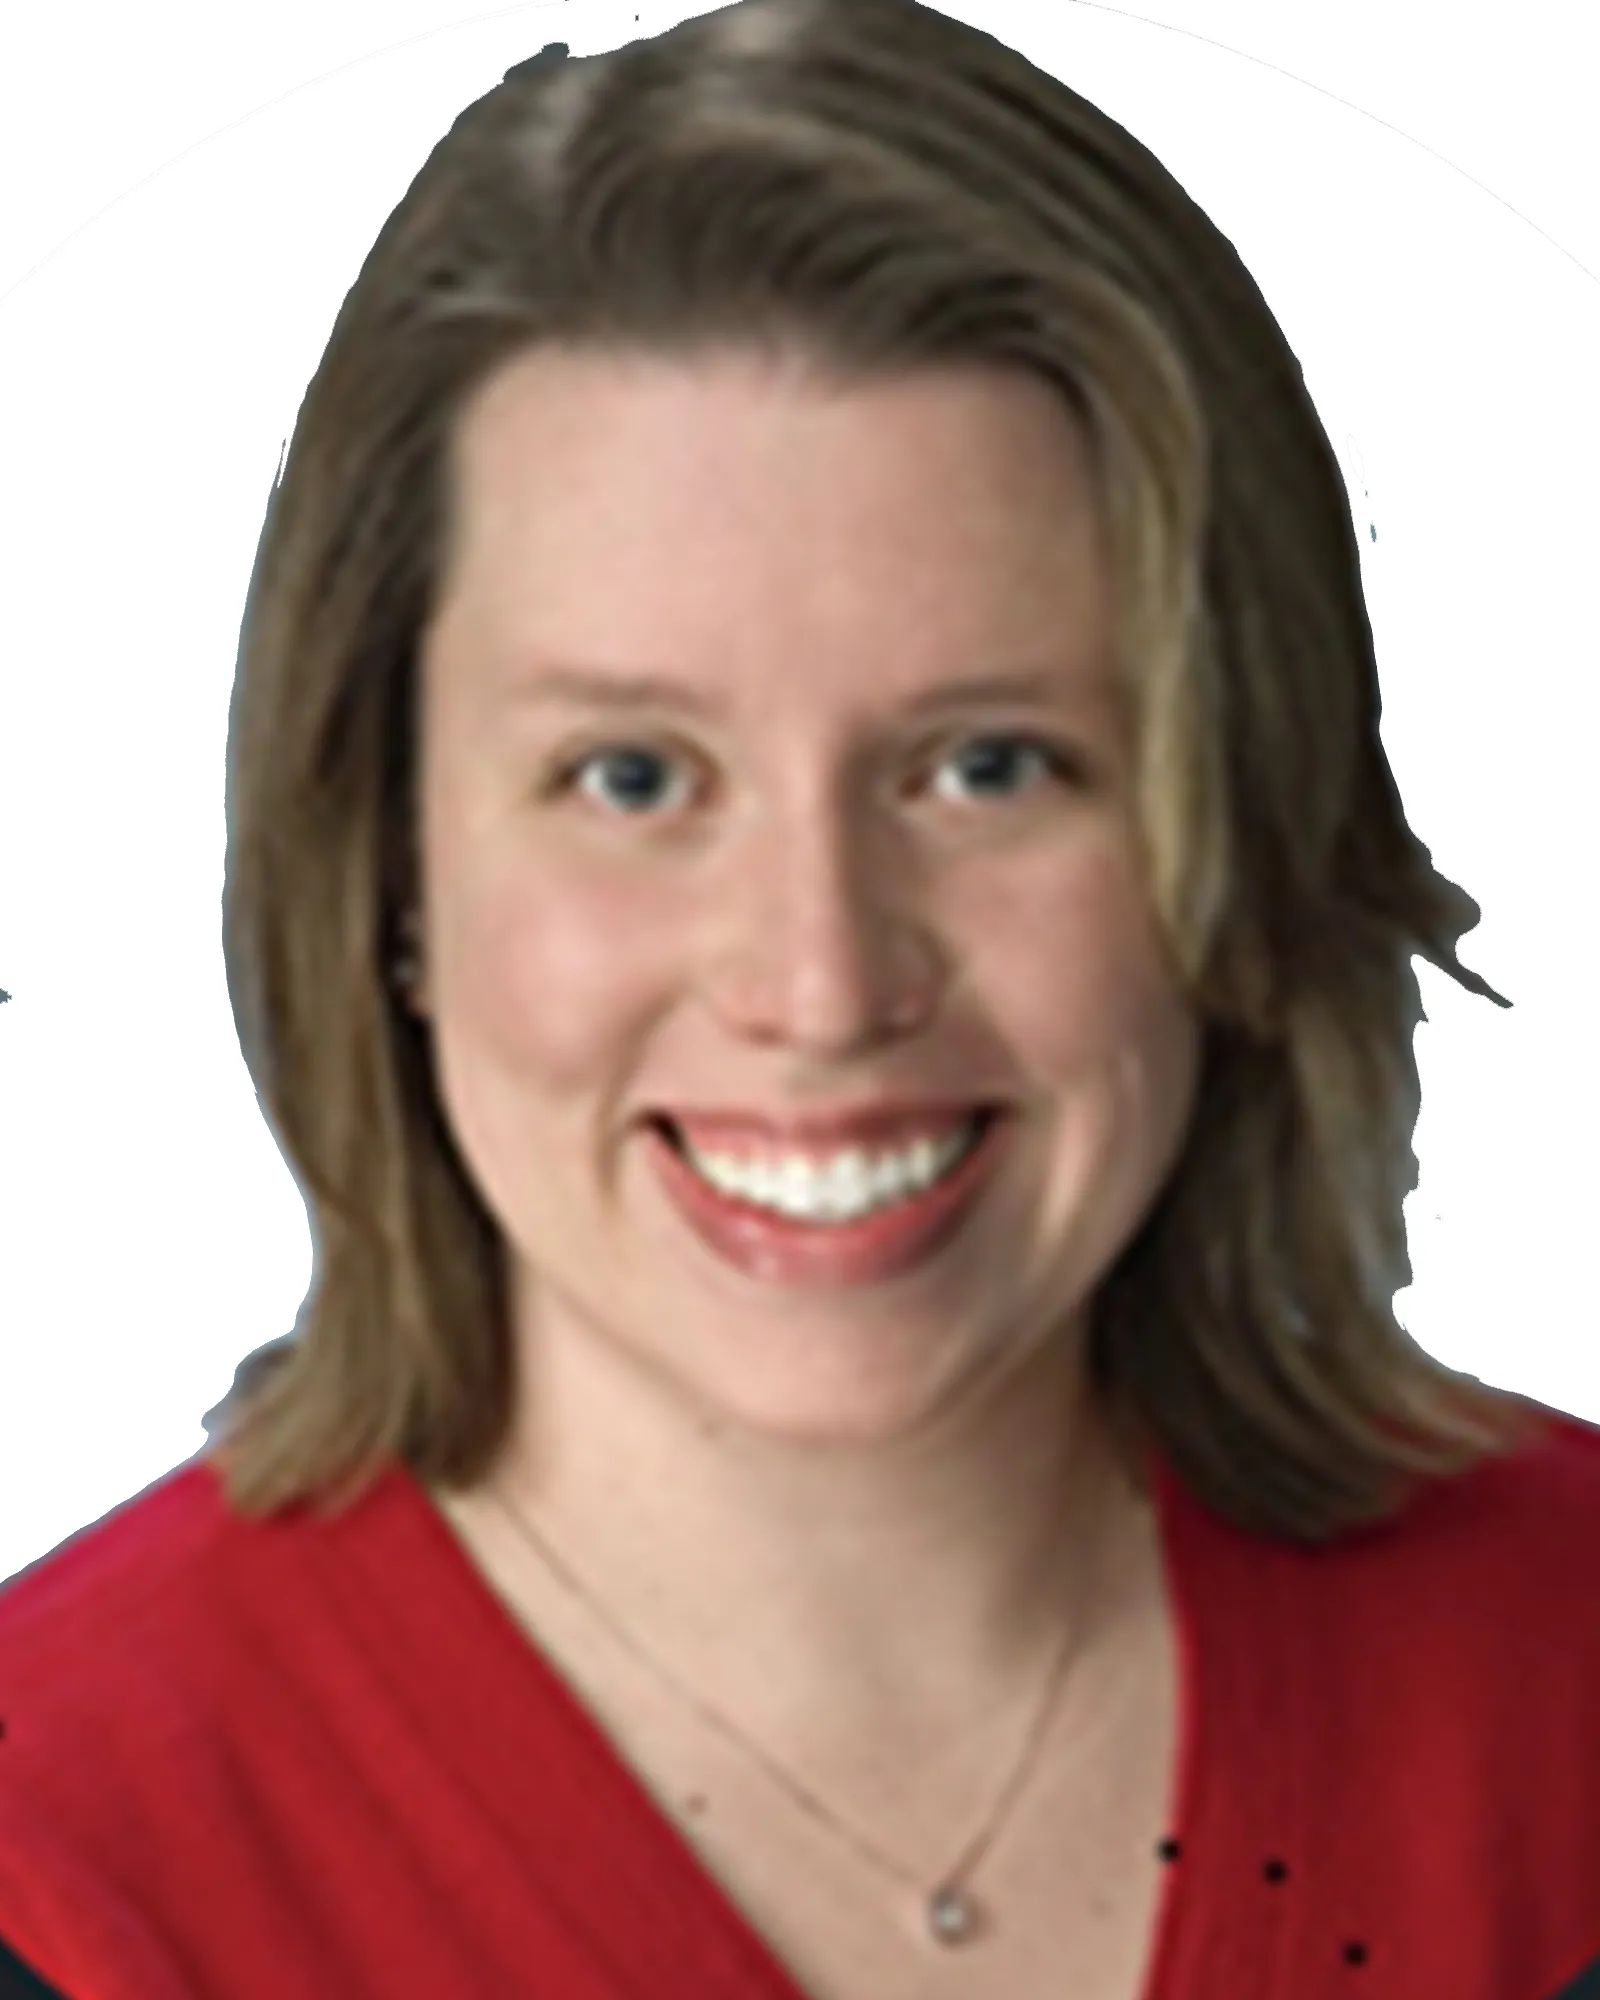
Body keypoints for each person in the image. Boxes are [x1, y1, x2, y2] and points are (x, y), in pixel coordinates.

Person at [2, 5, 1598, 1997]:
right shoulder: (60, 1860)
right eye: (634, 778)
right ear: (388, 868)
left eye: (988, 766)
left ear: (1238, 826)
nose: (823, 983)